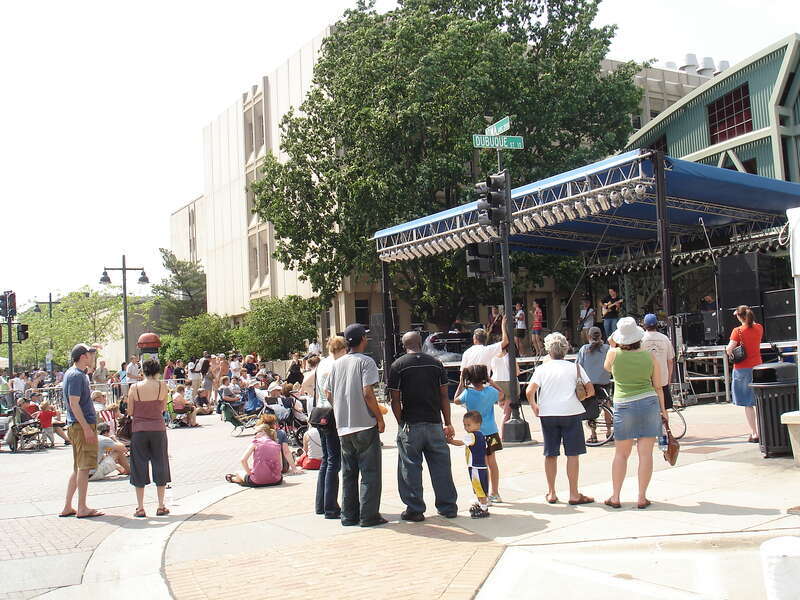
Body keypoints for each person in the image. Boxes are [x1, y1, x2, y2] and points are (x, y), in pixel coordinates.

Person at [388, 331, 458, 522]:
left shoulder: (398, 366)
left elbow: (395, 400)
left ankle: (415, 508)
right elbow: (444, 395)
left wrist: (401, 421)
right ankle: (448, 506)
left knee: (410, 467)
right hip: (435, 422)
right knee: (441, 466)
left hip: (411, 424)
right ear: (421, 344)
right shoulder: (436, 364)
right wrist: (448, 422)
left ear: (404, 346)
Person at [325, 324, 386, 527]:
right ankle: (368, 516)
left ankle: (348, 516)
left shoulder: (336, 364)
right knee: (370, 473)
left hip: (344, 427)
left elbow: (328, 393)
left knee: (349, 473)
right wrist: (379, 418)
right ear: (362, 339)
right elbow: (368, 393)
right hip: (364, 424)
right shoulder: (366, 362)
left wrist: (341, 409)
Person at [603, 317, 667, 510]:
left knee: (621, 454)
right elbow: (658, 386)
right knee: (645, 454)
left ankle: (615, 497)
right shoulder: (650, 357)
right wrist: (663, 411)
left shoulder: (613, 354)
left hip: (624, 404)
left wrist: (613, 344)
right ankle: (641, 497)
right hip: (648, 402)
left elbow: (606, 368)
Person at [526, 332, 594, 505]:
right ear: (565, 348)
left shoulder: (542, 369)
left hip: (548, 413)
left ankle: (551, 492)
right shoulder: (575, 367)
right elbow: (590, 390)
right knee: (573, 454)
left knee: (550, 454)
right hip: (571, 412)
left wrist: (534, 406)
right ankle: (573, 493)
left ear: (549, 350)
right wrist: (580, 399)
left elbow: (529, 391)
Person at [60, 343, 104, 519]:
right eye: (90, 354)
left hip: (76, 425)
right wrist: (86, 427)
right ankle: (82, 507)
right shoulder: (77, 376)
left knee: (78, 468)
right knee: (84, 468)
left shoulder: (74, 373)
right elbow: (74, 403)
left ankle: (68, 506)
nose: (92, 356)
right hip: (81, 425)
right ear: (83, 356)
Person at [128, 359, 172, 518]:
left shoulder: (134, 388)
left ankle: (140, 507)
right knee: (160, 462)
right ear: (157, 371)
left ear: (143, 371)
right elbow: (162, 408)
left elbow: (130, 411)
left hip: (139, 430)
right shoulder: (162, 386)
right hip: (158, 429)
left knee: (138, 465)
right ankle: (161, 505)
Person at [456, 364, 504, 504]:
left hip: (476, 434)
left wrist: (461, 383)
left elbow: (456, 399)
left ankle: (483, 494)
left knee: (479, 465)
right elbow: (502, 395)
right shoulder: (490, 391)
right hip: (491, 431)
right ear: (484, 377)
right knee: (492, 463)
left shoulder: (468, 393)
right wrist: (491, 381)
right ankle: (495, 492)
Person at [314, 336, 347, 519]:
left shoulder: (322, 364)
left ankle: (321, 504)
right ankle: (331, 507)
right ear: (343, 348)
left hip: (319, 413)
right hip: (332, 414)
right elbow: (332, 393)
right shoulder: (337, 364)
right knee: (334, 461)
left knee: (326, 460)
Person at [725, 305, 764, 442]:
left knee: (748, 403)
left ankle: (754, 433)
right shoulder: (759, 328)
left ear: (739, 316)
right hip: (758, 365)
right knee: (759, 400)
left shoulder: (737, 331)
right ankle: (764, 430)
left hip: (742, 368)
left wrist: (729, 352)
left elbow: (729, 349)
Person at [447, 411, 490, 519]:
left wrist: (450, 441)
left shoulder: (472, 435)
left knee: (478, 486)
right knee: (481, 486)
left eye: (468, 425)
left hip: (475, 466)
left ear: (478, 424)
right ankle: (481, 504)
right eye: (465, 425)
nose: (466, 427)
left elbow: (461, 442)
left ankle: (483, 507)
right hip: (481, 466)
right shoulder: (481, 435)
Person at [225, 415, 284, 487]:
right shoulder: (277, 445)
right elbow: (280, 467)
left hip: (258, 480)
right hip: (276, 480)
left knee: (238, 473)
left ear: (263, 432)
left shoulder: (256, 443)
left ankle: (232, 478)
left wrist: (250, 474)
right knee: (250, 472)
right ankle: (236, 478)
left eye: (256, 433)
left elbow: (243, 460)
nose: (255, 436)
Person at [577, 326, 612, 443]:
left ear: (588, 337)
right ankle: (609, 431)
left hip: (589, 384)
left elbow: (578, 366)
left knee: (590, 408)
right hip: (604, 383)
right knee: (607, 406)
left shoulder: (584, 349)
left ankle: (593, 434)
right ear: (601, 336)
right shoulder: (607, 348)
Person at [489, 323, 519, 439]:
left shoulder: (492, 357)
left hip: (496, 384)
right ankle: (502, 436)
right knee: (507, 412)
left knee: (501, 405)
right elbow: (516, 372)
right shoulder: (510, 357)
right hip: (508, 383)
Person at [641, 314, 675, 411]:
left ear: (644, 325)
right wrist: (669, 378)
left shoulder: (641, 339)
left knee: (649, 409)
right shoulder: (665, 339)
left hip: (646, 380)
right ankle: (666, 425)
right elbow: (670, 361)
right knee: (664, 408)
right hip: (662, 378)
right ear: (657, 324)